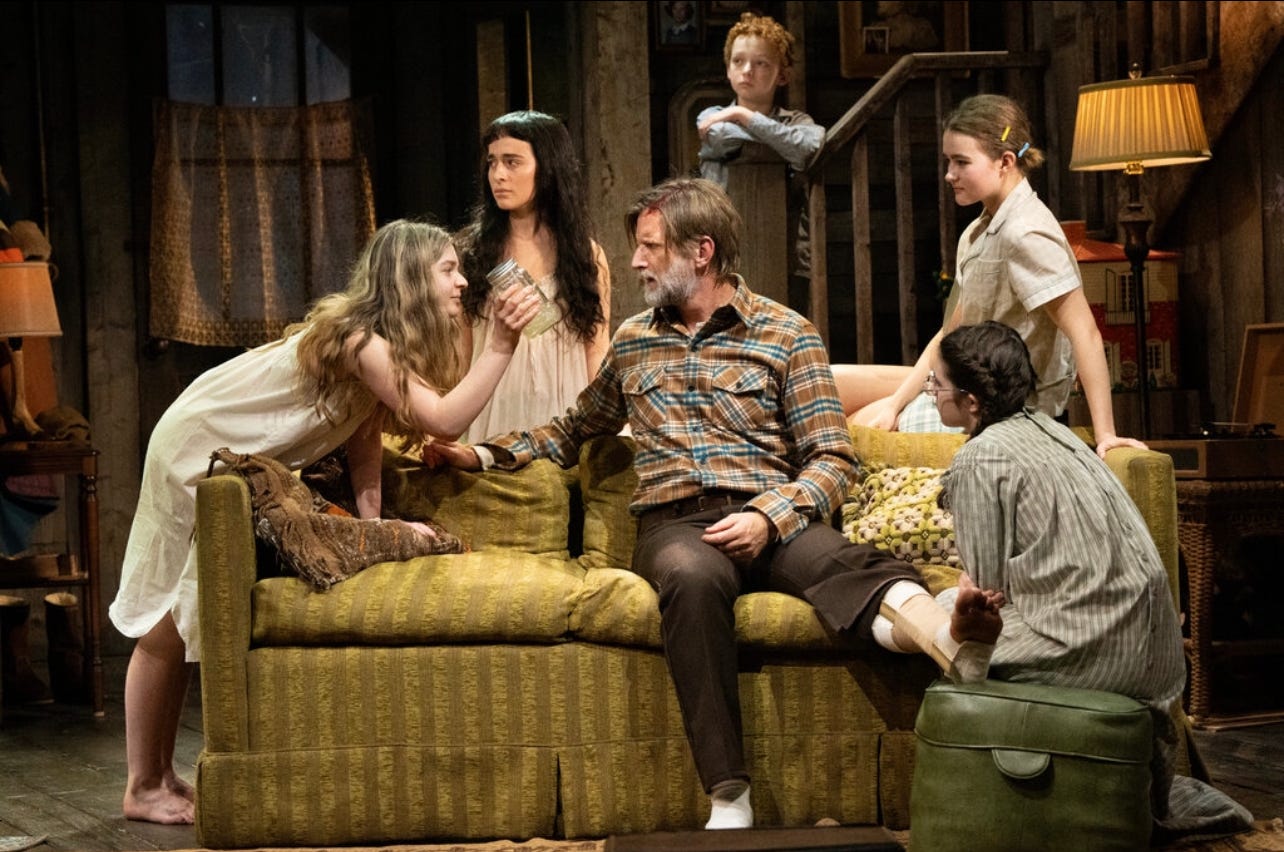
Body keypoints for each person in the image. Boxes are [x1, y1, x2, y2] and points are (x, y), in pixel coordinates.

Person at [426, 177, 1003, 830]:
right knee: (692, 578)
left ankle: (951, 641)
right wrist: (480, 455)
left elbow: (833, 459)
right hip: (677, 526)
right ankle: (729, 796)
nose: (636, 262)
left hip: (773, 514)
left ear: (701, 252)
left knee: (847, 563)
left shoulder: (787, 334)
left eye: (650, 247)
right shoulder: (634, 341)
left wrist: (768, 516)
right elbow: (569, 431)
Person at [108, 220, 542, 825]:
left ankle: (159, 775)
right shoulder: (362, 340)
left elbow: (361, 440)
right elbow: (442, 420)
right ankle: (140, 784)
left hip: (219, 449)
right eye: (448, 269)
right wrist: (500, 345)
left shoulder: (379, 346)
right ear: (411, 279)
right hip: (198, 444)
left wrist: (373, 526)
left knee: (187, 616)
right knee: (169, 619)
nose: (462, 281)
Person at [931, 320, 1253, 839]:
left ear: (970, 402)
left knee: (944, 616)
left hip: (1088, 649)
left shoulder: (979, 457)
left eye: (937, 384)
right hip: (1157, 659)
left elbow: (987, 591)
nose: (931, 392)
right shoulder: (1057, 431)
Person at [841, 94, 1145, 458]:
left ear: (1005, 162)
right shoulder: (977, 232)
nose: (949, 174)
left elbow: (1085, 333)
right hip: (961, 380)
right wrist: (894, 404)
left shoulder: (1026, 234)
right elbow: (950, 332)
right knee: (830, 384)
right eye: (948, 161)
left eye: (961, 162)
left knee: (854, 426)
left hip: (1004, 407)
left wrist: (1106, 433)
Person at [455, 110, 611, 443]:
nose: (498, 175)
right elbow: (460, 355)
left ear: (548, 167)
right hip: (494, 407)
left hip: (563, 412)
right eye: (492, 163)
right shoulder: (471, 252)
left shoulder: (585, 254)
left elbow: (596, 350)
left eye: (512, 162)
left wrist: (603, 426)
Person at [696, 12, 823, 287]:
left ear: (783, 75)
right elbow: (724, 138)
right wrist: (782, 142)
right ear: (728, 69)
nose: (747, 70)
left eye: (761, 63)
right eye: (738, 61)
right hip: (723, 254)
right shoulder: (712, 117)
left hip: (786, 254)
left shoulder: (798, 122)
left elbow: (807, 147)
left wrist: (743, 115)